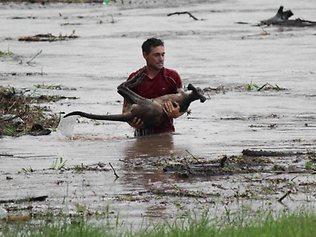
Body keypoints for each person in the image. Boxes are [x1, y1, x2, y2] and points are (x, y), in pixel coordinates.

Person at [122, 38, 183, 137]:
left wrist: (177, 113)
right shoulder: (133, 78)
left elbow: (184, 105)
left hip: (166, 134)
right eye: (156, 55)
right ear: (145, 55)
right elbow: (125, 110)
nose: (161, 59)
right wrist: (132, 122)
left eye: (163, 54)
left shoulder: (173, 77)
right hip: (140, 135)